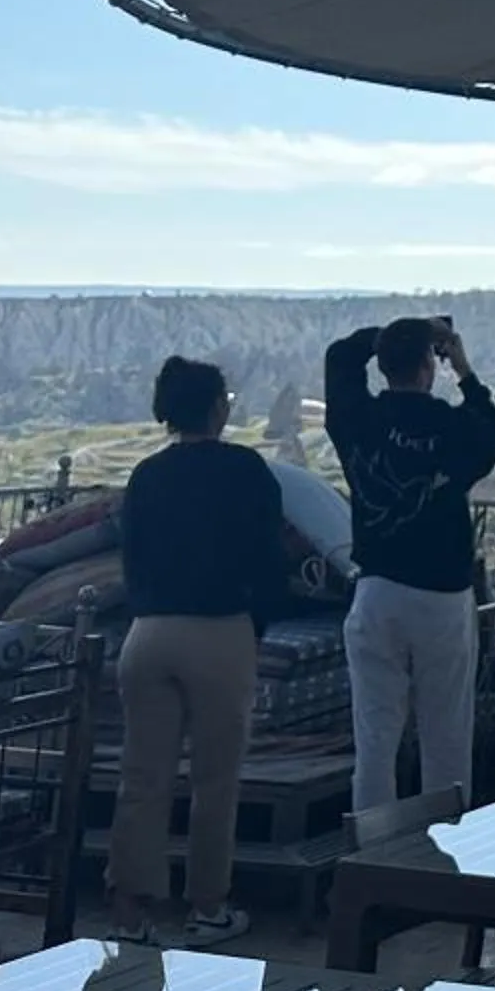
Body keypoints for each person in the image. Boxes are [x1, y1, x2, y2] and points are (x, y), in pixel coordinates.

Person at [109, 355, 282, 949]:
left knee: (142, 777)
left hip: (148, 633)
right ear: (218, 407)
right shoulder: (246, 469)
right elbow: (269, 558)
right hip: (219, 630)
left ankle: (131, 915)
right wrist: (254, 625)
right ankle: (208, 907)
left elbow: (129, 559)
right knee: (215, 780)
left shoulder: (146, 476)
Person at [325, 315, 495, 813]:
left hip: (377, 593)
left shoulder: (356, 421)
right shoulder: (453, 427)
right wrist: (465, 371)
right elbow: (493, 432)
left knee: (375, 741)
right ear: (431, 364)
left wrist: (388, 333)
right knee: (446, 738)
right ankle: (441, 863)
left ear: (383, 365)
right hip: (443, 598)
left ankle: (371, 858)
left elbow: (340, 358)